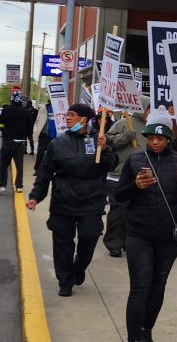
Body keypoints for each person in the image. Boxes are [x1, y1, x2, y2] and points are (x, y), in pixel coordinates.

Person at [114, 121, 177, 342]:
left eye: (160, 139)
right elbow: (119, 195)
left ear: (169, 140)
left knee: (158, 286)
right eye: (151, 138)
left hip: (169, 236)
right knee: (140, 287)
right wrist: (135, 187)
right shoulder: (135, 160)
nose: (155, 142)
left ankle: (147, 329)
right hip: (139, 233)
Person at [26, 103, 118, 297]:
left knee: (89, 236)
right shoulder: (57, 143)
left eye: (72, 115)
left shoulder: (99, 140)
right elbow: (45, 173)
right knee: (62, 243)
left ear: (84, 119)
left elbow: (110, 166)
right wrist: (35, 196)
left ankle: (79, 267)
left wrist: (106, 148)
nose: (67, 118)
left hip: (91, 200)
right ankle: (65, 281)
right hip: (63, 201)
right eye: (67, 114)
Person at [104, 106, 150, 257]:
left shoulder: (151, 126)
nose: (150, 112)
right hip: (118, 174)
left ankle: (128, 241)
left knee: (133, 211)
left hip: (140, 176)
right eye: (147, 109)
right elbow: (107, 142)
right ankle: (114, 243)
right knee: (119, 210)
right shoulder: (124, 123)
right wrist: (126, 136)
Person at [0, 97, 31, 193]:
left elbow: (0, 123)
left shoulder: (6, 110)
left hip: (8, 140)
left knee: (4, 164)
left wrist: (3, 131)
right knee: (19, 165)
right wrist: (25, 135)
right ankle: (19, 186)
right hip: (20, 142)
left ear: (11, 101)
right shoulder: (25, 111)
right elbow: (29, 126)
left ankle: (2, 185)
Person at [34, 101, 57, 175]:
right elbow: (38, 120)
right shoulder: (44, 108)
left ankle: (51, 170)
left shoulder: (58, 109)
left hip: (55, 135)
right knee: (40, 153)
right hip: (44, 134)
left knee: (53, 154)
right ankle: (37, 169)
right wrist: (36, 131)